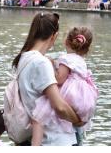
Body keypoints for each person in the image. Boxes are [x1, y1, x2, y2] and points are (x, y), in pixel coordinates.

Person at [12, 12, 83, 146]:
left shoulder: (24, 57)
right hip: (53, 139)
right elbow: (60, 107)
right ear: (54, 36)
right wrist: (78, 120)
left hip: (35, 136)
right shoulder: (41, 62)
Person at [31, 27, 98, 146]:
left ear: (66, 42)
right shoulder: (81, 60)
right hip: (82, 97)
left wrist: (51, 65)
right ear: (87, 48)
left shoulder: (66, 59)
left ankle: (35, 144)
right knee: (72, 122)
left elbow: (60, 79)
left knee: (39, 115)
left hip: (70, 93)